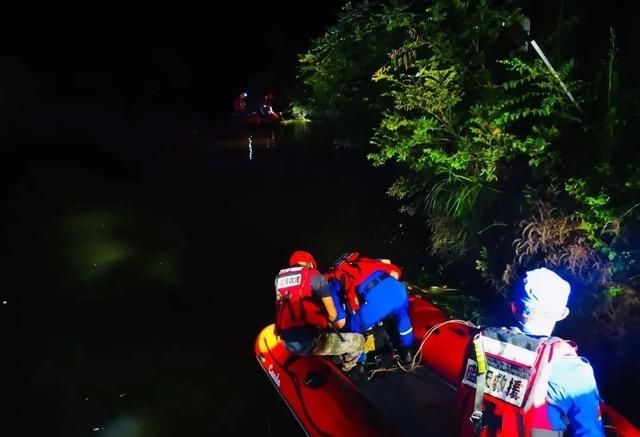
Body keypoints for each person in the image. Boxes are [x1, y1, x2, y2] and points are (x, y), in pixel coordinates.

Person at [456, 267, 605, 436]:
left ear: (514, 308)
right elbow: (590, 432)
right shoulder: (575, 371)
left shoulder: (480, 342)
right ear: (563, 314)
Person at [274, 250, 365, 371]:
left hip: (285, 342)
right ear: (310, 264)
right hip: (309, 342)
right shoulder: (315, 276)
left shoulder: (278, 279)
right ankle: (347, 368)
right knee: (359, 341)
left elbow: (279, 307)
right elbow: (332, 314)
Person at [326, 252, 415, 365]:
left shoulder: (334, 280)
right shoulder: (368, 261)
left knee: (354, 328)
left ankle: (360, 364)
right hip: (398, 290)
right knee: (402, 317)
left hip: (376, 302)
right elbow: (394, 272)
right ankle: (408, 353)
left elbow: (340, 321)